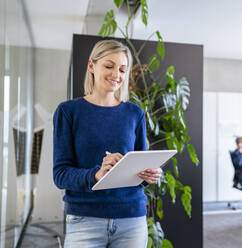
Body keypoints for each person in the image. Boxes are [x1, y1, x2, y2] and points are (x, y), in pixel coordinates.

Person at [53, 39, 162, 248]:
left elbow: (139, 168)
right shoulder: (68, 112)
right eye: (109, 66)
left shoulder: (134, 113)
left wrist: (149, 175)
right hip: (85, 220)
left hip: (131, 219)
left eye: (122, 69)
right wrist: (96, 174)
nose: (116, 75)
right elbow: (60, 175)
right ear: (92, 66)